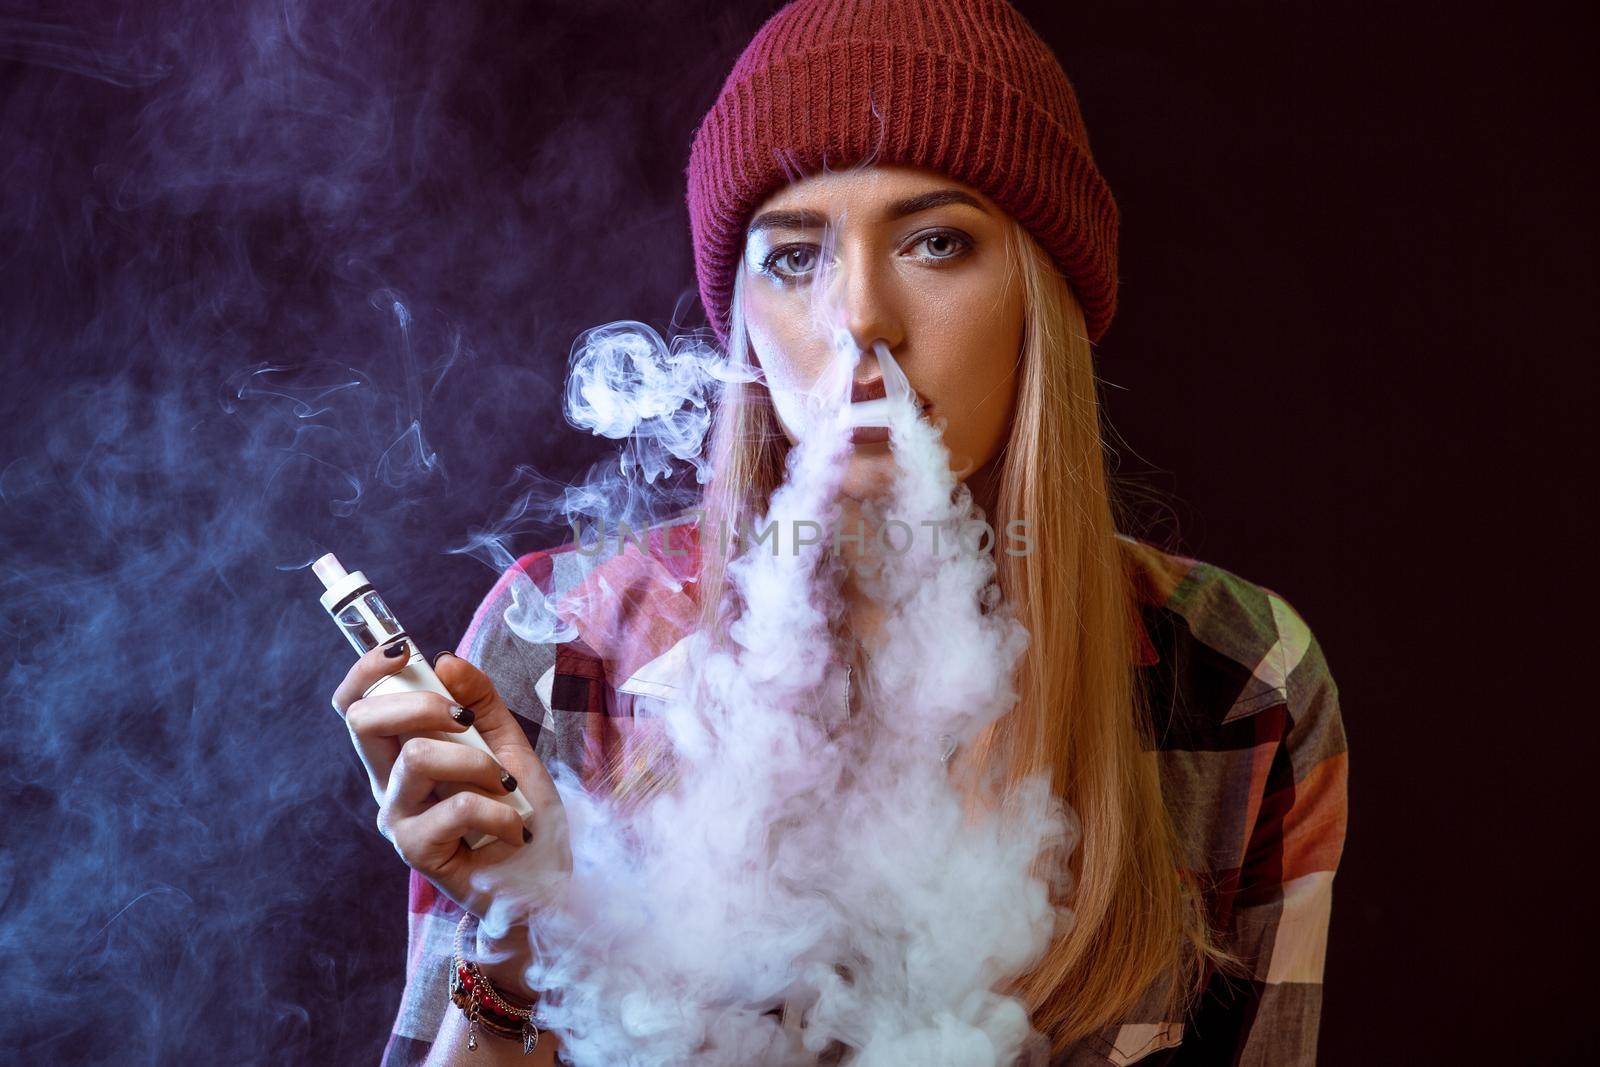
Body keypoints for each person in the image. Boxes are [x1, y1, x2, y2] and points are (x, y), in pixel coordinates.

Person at [330, 1, 1349, 1063]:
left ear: (1042, 295)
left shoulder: (1240, 681)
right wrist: (514, 940)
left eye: (936, 242)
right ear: (742, 324)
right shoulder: (563, 645)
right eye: (792, 255)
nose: (860, 316)